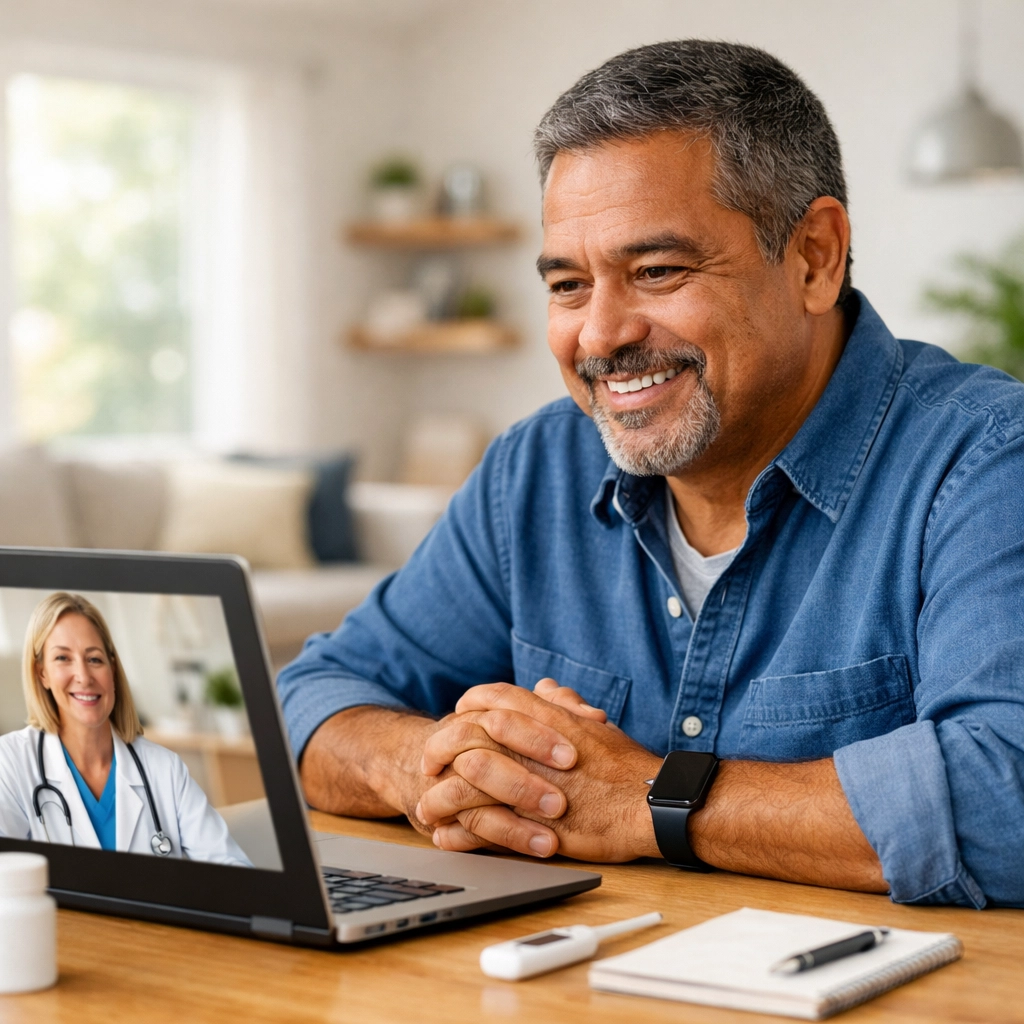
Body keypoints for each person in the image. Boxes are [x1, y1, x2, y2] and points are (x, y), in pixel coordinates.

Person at [278, 40, 1024, 908]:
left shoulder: (986, 463)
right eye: (568, 285)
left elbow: (1006, 794)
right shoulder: (535, 470)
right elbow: (315, 698)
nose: (599, 335)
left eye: (657, 271)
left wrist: (644, 800)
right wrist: (433, 764)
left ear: (815, 257)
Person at [0, 592, 251, 866]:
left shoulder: (164, 769)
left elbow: (233, 869)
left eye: (94, 659)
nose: (84, 676)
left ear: (112, 669)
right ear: (42, 673)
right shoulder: (10, 763)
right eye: (63, 658)